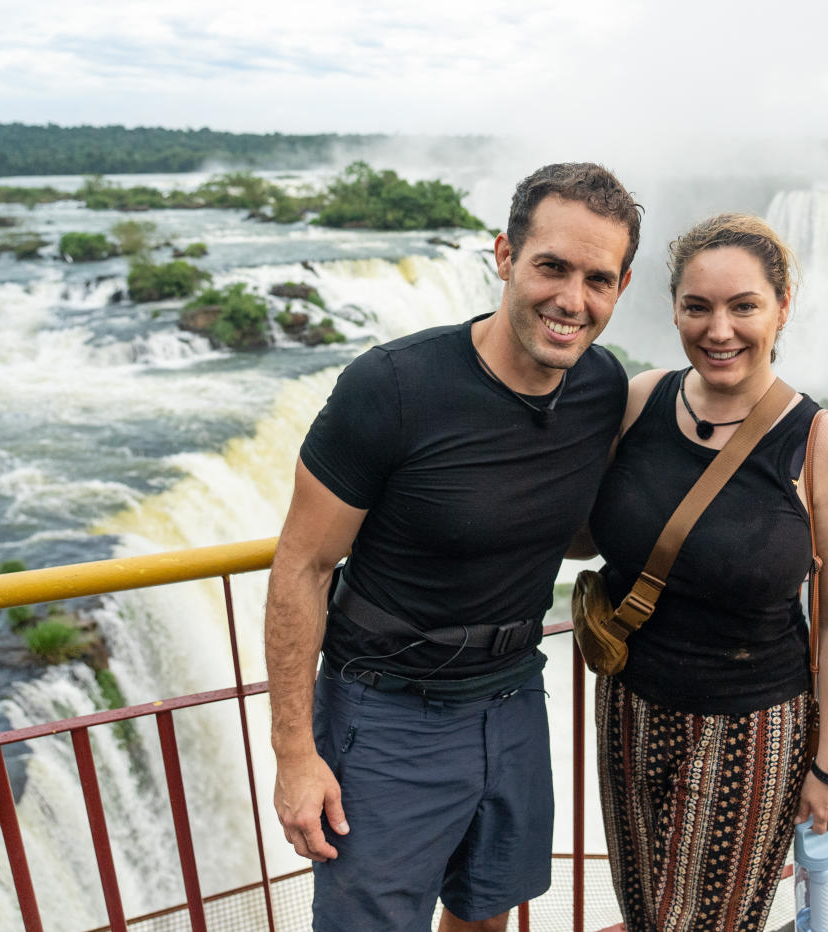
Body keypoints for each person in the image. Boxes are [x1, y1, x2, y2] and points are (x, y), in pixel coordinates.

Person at [263, 162, 641, 932]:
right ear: (504, 257)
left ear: (621, 288)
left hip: (512, 697)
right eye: (551, 267)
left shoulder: (601, 386)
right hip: (388, 713)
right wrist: (295, 756)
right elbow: (302, 566)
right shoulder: (392, 388)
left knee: (486, 908)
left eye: (597, 279)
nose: (572, 300)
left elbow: (573, 521)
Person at [586, 212, 828, 931]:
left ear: (782, 307)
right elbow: (581, 532)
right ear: (675, 308)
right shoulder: (641, 401)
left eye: (743, 306)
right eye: (698, 306)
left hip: (749, 731)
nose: (720, 330)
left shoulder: (822, 445)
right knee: (646, 909)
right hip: (628, 707)